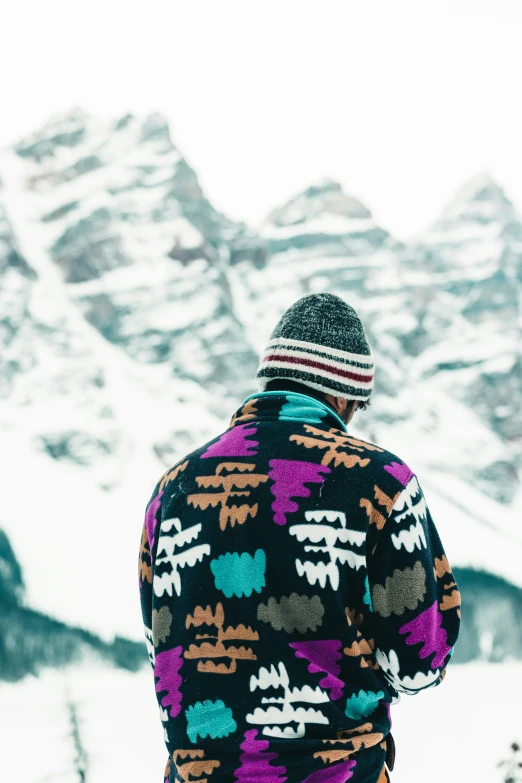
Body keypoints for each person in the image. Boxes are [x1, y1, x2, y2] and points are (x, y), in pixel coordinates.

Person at [138, 292, 461, 783]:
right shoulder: (380, 481)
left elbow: (160, 641)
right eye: (357, 405)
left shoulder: (172, 488)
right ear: (343, 395)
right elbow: (417, 661)